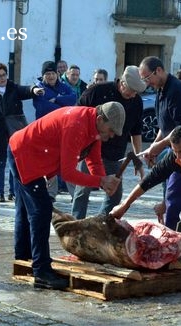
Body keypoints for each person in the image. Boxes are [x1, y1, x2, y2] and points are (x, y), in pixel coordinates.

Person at [8, 103, 124, 290]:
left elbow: (93, 160)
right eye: (111, 130)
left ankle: (24, 259)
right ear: (101, 120)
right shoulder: (76, 125)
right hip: (24, 153)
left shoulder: (94, 127)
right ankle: (42, 272)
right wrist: (101, 181)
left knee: (25, 210)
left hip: (26, 151)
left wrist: (103, 182)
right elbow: (68, 173)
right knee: (41, 210)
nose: (111, 135)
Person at [71, 66, 146, 218]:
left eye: (136, 92)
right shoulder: (98, 91)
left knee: (115, 193)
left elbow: (136, 132)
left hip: (115, 154)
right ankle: (76, 225)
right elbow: (76, 115)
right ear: (122, 83)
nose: (133, 95)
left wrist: (138, 158)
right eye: (132, 91)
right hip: (91, 149)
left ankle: (102, 223)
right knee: (83, 191)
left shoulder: (136, 102)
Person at [138, 56, 181, 230]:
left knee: (176, 198)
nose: (148, 83)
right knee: (168, 195)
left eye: (148, 78)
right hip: (171, 152)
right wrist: (153, 148)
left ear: (159, 70)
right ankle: (171, 234)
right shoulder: (161, 90)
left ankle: (176, 238)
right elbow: (164, 126)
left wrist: (159, 145)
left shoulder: (177, 90)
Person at [110, 126, 181, 227]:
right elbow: (149, 180)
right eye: (175, 151)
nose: (179, 157)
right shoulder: (174, 159)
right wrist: (124, 205)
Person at [0, 62, 40, 203]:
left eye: (4, 75)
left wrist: (34, 89)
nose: (3, 78)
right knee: (0, 163)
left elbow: (25, 89)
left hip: (15, 133)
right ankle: (0, 192)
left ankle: (13, 191)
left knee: (14, 163)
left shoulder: (13, 88)